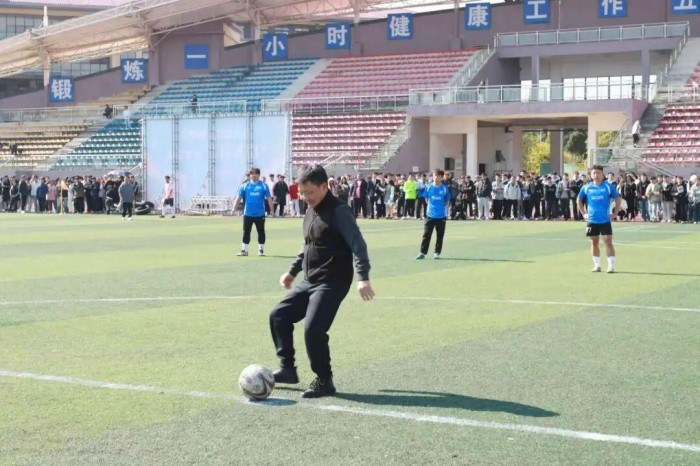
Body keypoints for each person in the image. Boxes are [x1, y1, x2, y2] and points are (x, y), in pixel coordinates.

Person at [269, 165, 374, 398]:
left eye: (310, 192)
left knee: (313, 329)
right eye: (302, 192)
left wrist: (363, 277)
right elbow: (308, 245)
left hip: (333, 281)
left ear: (324, 187)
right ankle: (287, 369)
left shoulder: (339, 211)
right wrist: (292, 272)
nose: (305, 197)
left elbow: (358, 244)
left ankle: (325, 380)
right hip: (311, 280)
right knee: (278, 315)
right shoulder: (310, 211)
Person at [577, 165, 621, 273]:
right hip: (591, 220)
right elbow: (579, 200)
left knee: (608, 241)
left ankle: (611, 266)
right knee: (593, 241)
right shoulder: (586, 187)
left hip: (605, 220)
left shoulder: (608, 186)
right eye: (594, 173)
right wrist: (584, 213)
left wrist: (615, 213)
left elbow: (618, 198)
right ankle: (597, 265)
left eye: (598, 173)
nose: (596, 175)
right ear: (591, 175)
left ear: (602, 174)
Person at [233, 167, 273, 256]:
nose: (254, 176)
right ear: (250, 175)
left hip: (260, 214)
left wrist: (272, 210)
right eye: (252, 174)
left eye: (256, 174)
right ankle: (244, 250)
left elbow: (269, 198)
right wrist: (234, 208)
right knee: (246, 232)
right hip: (248, 213)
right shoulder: (245, 185)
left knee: (261, 231)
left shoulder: (263, 186)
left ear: (259, 175)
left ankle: (261, 250)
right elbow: (239, 197)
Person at [416, 169, 451, 260]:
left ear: (441, 177)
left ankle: (437, 253)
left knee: (440, 236)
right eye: (434, 175)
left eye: (437, 176)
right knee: (426, 235)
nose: (435, 177)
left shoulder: (444, 188)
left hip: (441, 216)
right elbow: (426, 198)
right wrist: (431, 207)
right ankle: (422, 252)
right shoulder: (429, 187)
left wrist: (441, 207)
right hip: (430, 215)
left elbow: (447, 200)